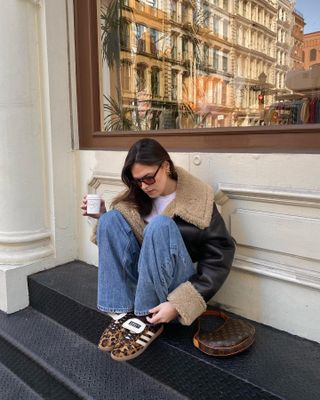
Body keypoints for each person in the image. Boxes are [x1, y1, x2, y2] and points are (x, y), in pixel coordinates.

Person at [81, 138, 235, 362]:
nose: (144, 186)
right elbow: (127, 249)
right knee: (110, 219)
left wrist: (178, 304)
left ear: (166, 165)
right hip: (141, 283)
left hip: (173, 287)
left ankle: (144, 319)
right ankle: (123, 314)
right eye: (138, 181)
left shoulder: (198, 200)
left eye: (149, 178)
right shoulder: (138, 197)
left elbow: (220, 256)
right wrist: (102, 217)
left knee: (160, 225)